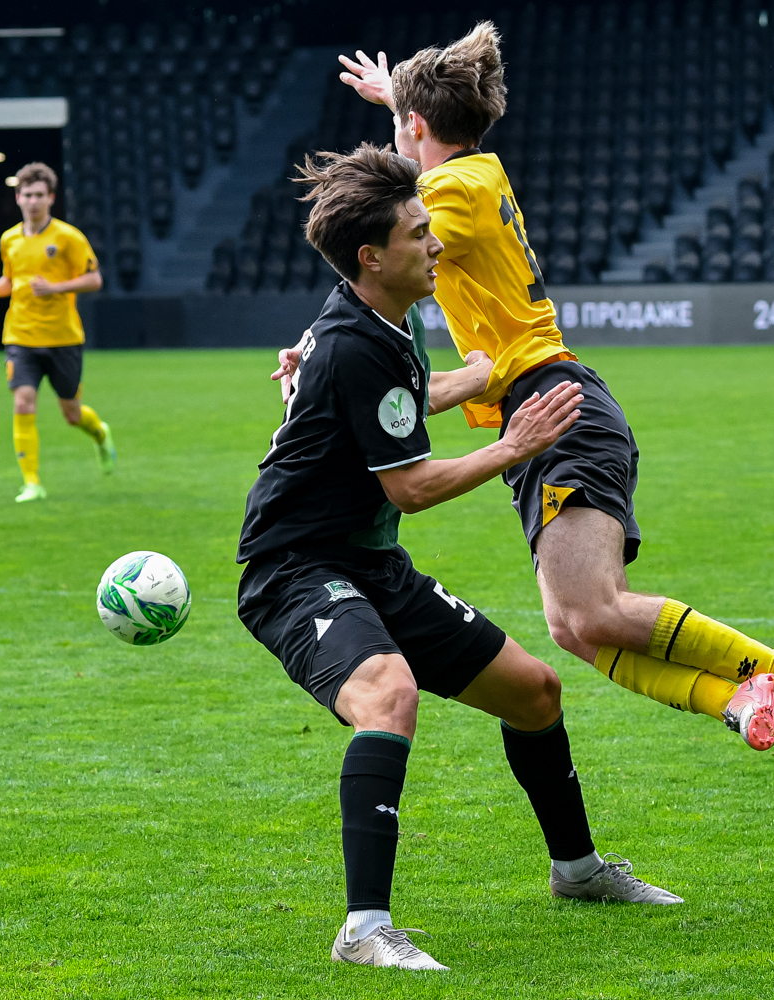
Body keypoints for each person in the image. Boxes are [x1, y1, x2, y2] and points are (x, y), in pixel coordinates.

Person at [274, 23, 774, 774]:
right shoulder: (474, 175)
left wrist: (321, 341)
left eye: (406, 128)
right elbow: (402, 217)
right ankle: (741, 699)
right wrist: (399, 107)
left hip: (554, 406)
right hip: (538, 400)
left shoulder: (449, 192)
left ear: (418, 128)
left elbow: (373, 232)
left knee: (594, 610)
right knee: (576, 628)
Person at [238, 145, 682, 973]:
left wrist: (475, 376)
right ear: (372, 257)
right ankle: (364, 929)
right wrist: (513, 445)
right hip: (295, 569)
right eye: (417, 234)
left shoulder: (387, 319)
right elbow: (409, 486)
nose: (436, 242)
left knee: (534, 692)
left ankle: (577, 870)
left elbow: (405, 396)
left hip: (371, 563)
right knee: (388, 694)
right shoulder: (353, 343)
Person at [0, 161, 114, 503]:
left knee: (72, 413)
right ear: (17, 198)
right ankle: (32, 483)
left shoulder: (68, 237)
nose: (33, 201)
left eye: (39, 195)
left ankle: (99, 433)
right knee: (23, 402)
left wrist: (56, 288)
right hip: (20, 335)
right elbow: (13, 280)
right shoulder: (9, 239)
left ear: (51, 197)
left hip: (63, 337)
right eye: (27, 195)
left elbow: (94, 279)